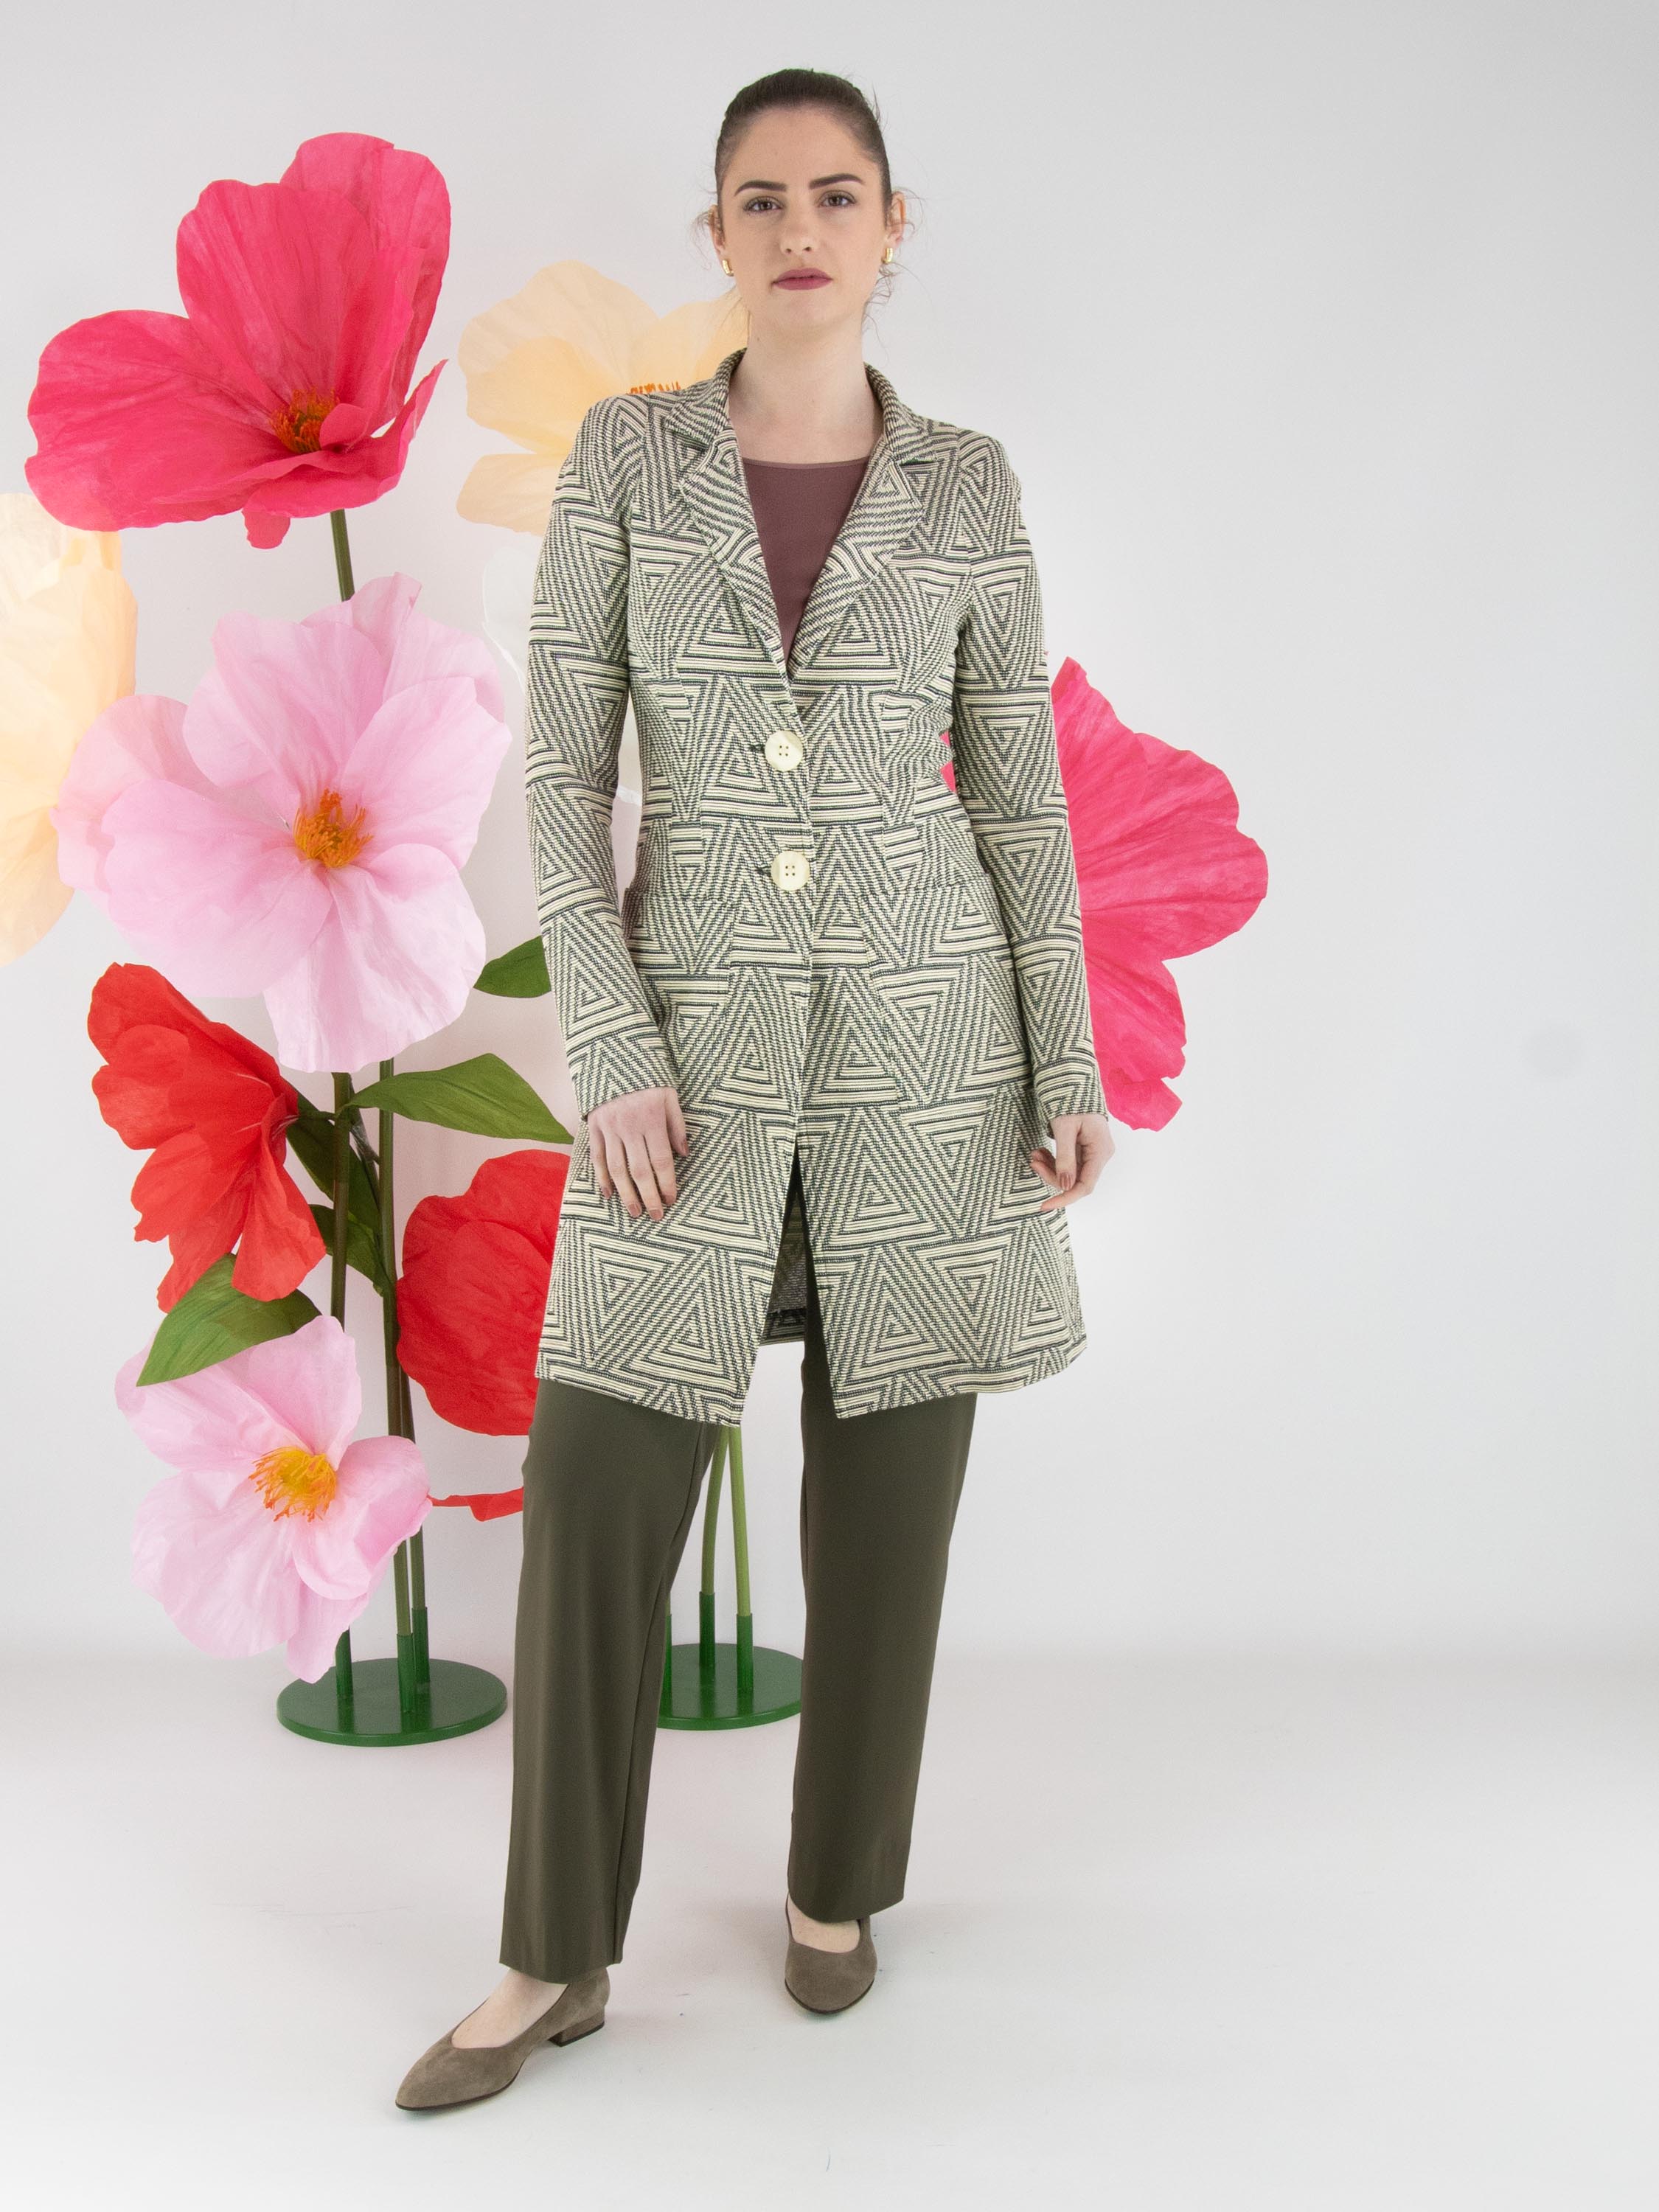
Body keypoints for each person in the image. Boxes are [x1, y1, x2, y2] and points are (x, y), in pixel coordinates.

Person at [397, 66, 1114, 2112]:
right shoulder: (631, 461)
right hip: (688, 1068)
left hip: (927, 1058)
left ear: (893, 227)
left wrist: (1062, 1051)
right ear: (715, 233)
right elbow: (562, 781)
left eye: (838, 194)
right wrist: (612, 1050)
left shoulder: (964, 483)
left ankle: (835, 1888)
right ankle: (550, 1952)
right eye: (763, 197)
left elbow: (1018, 788)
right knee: (598, 1487)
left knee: (891, 1498)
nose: (801, 228)